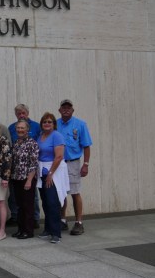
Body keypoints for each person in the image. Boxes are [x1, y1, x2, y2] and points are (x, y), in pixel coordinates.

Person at [57, 99, 92, 235]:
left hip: (73, 163)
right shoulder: (55, 124)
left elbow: (86, 145)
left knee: (75, 193)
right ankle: (62, 220)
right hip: (59, 164)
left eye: (68, 107)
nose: (66, 109)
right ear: (59, 110)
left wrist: (86, 164)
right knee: (61, 193)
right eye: (63, 107)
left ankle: (79, 223)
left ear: (73, 110)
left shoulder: (80, 124)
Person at [36, 112, 69, 244]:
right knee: (45, 201)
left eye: (49, 122)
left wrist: (50, 174)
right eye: (44, 122)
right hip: (42, 171)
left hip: (53, 171)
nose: (47, 124)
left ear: (54, 124)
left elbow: (59, 156)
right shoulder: (40, 136)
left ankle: (56, 233)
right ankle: (48, 229)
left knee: (52, 202)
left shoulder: (57, 136)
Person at [7, 103, 41, 228]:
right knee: (17, 199)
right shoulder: (11, 128)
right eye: (19, 113)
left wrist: (30, 177)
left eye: (23, 113)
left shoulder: (36, 126)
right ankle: (18, 220)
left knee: (32, 198)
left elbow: (35, 156)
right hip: (16, 173)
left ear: (27, 113)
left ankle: (34, 219)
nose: (21, 115)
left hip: (30, 171)